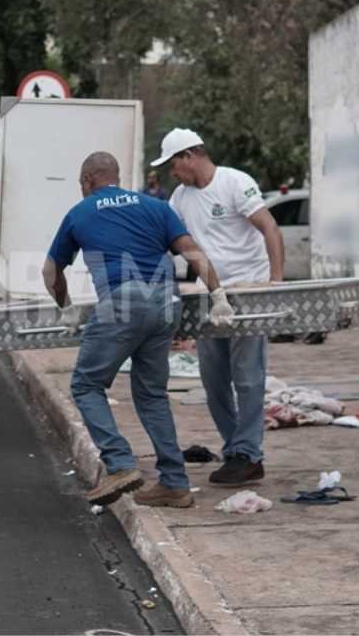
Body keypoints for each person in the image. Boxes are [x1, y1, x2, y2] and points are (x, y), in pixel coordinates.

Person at [42, 151, 235, 508]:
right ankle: (175, 483)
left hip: (122, 302)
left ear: (87, 180)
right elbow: (191, 251)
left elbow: (50, 271)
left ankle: (119, 464)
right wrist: (219, 297)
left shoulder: (80, 213)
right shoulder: (155, 206)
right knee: (151, 395)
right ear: (116, 177)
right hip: (166, 303)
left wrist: (66, 309)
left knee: (86, 385)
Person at [154, 128, 285, 487]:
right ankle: (235, 449)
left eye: (173, 165)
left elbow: (270, 228)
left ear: (189, 156)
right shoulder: (180, 197)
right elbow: (168, 242)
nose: (172, 173)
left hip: (247, 291)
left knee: (247, 377)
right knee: (213, 381)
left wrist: (275, 285)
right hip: (210, 295)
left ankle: (248, 454)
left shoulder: (234, 182)